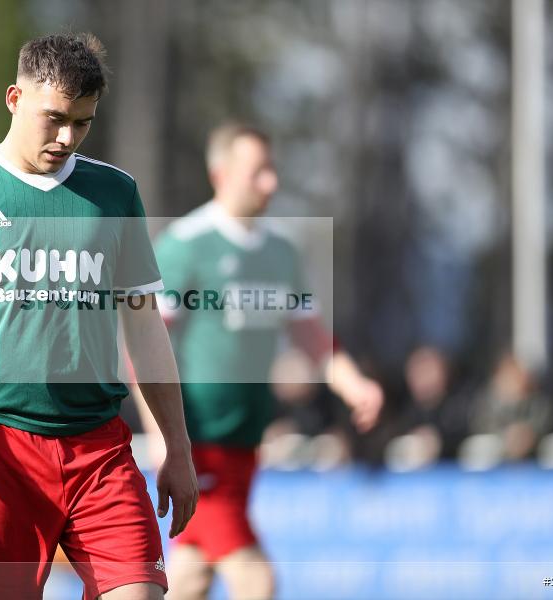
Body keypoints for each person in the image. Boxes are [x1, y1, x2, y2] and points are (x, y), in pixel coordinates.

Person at [0, 33, 197, 600]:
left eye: (82, 123)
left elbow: (144, 328)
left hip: (98, 450)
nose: (66, 137)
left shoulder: (114, 193)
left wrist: (177, 445)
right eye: (54, 118)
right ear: (14, 98)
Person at [137, 123, 383, 600]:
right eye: (258, 172)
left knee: (191, 576)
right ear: (221, 174)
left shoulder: (281, 251)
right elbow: (141, 348)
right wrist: (163, 436)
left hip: (244, 445)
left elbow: (310, 336)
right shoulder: (186, 245)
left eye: (272, 170)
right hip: (197, 445)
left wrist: (354, 384)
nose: (271, 182)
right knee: (256, 580)